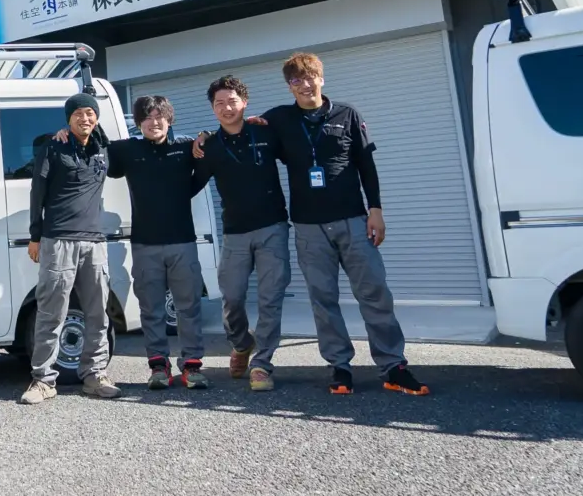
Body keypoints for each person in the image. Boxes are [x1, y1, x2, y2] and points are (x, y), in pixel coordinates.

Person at [194, 53, 429, 396]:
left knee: (375, 292)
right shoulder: (278, 120)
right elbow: (238, 129)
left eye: (309, 78)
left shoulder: (347, 114)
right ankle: (339, 366)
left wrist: (375, 208)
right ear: (289, 87)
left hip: (353, 219)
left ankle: (393, 365)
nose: (304, 85)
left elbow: (366, 163)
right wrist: (203, 136)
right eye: (295, 81)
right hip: (307, 226)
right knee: (323, 299)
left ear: (321, 78)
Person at [54, 95, 210, 390]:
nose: (154, 122)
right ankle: (158, 367)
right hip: (144, 244)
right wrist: (66, 135)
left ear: (169, 119)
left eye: (159, 117)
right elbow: (94, 145)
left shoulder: (186, 147)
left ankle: (192, 366)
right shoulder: (128, 150)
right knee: (151, 309)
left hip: (183, 243)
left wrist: (209, 134)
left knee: (188, 306)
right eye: (147, 118)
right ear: (138, 123)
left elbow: (215, 146)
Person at [20, 92, 122, 404]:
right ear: (68, 118)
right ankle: (43, 380)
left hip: (94, 241)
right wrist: (35, 236)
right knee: (51, 312)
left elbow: (139, 145)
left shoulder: (103, 149)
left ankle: (95, 376)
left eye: (90, 113)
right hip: (58, 240)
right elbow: (38, 192)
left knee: (97, 313)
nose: (85, 118)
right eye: (78, 113)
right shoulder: (53, 146)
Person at [191, 75, 291, 392]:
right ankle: (241, 342)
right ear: (212, 108)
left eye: (232, 101)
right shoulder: (210, 146)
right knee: (232, 297)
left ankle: (262, 364)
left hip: (273, 228)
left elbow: (298, 149)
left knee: (270, 297)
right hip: (235, 233)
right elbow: (190, 185)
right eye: (219, 103)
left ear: (244, 102)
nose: (226, 107)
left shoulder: (264, 131)